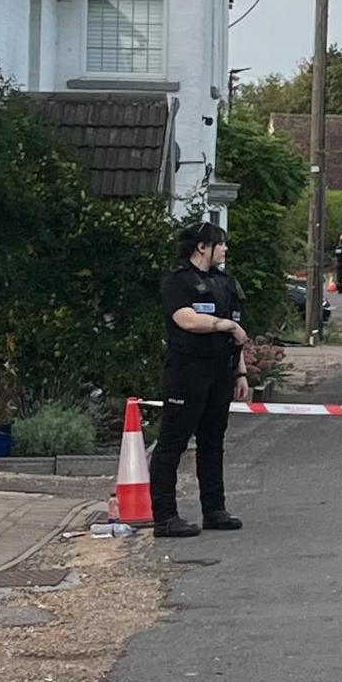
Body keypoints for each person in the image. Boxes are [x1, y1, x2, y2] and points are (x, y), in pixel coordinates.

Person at [153, 220, 247, 537]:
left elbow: (239, 332)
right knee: (173, 442)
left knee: (213, 442)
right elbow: (187, 320)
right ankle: (165, 516)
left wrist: (240, 370)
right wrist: (225, 326)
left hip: (220, 369)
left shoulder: (226, 283)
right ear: (202, 247)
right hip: (187, 370)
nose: (225, 248)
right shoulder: (178, 282)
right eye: (220, 243)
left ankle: (214, 509)